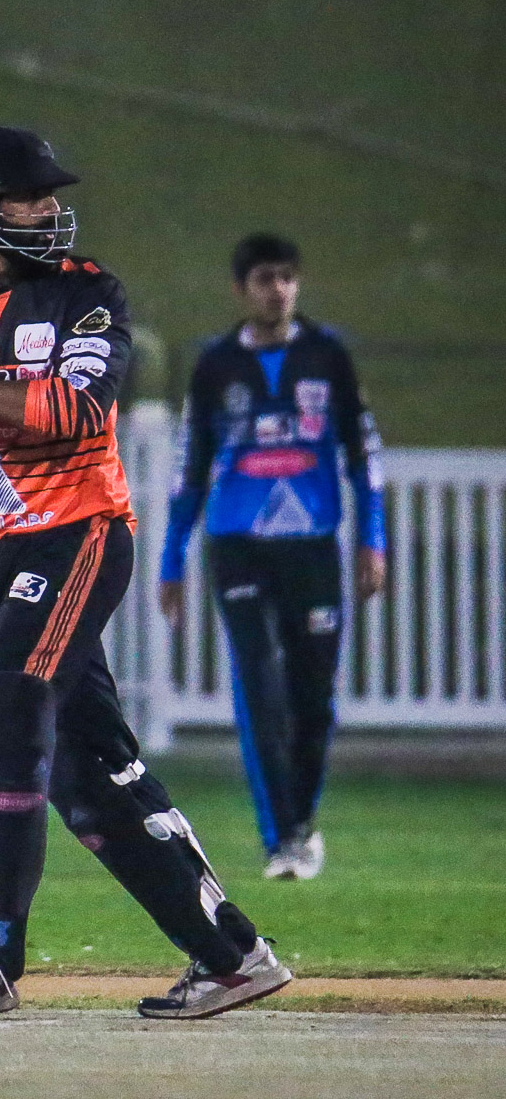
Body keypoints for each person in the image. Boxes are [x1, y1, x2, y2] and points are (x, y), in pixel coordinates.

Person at [0, 130, 291, 1019]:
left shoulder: (87, 293)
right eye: (31, 197)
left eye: (51, 196)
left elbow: (78, 409)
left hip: (80, 537)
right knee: (91, 774)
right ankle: (232, 955)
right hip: (0, 553)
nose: (50, 210)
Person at [159, 234, 386, 880]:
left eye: (287, 277)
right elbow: (190, 467)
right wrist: (172, 559)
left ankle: (300, 823)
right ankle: (279, 841)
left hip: (312, 546)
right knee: (259, 688)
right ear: (242, 289)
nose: (278, 290)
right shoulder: (215, 366)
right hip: (237, 546)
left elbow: (363, 455)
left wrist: (374, 540)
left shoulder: (328, 356)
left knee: (314, 700)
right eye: (265, 279)